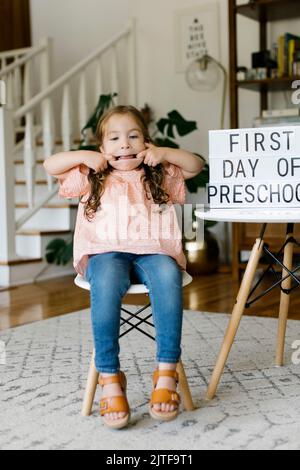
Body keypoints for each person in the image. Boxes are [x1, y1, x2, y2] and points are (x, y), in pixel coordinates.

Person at [44, 105, 204, 429]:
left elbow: (196, 165)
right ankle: (110, 377)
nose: (125, 144)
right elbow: (51, 165)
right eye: (114, 139)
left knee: (167, 275)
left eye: (133, 136)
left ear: (146, 142)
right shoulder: (92, 175)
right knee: (104, 283)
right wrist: (84, 157)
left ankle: (166, 372)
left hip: (154, 253)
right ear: (103, 149)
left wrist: (164, 153)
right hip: (105, 254)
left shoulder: (159, 171)